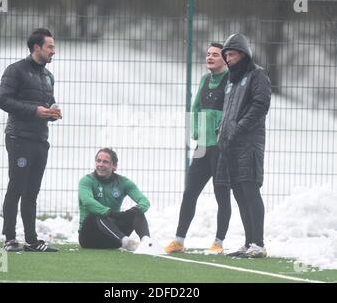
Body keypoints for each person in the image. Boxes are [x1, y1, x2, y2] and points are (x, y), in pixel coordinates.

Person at [0, 28, 62, 252]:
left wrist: (53, 112)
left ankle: (32, 241)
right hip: (19, 138)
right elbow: (3, 100)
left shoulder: (48, 76)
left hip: (40, 140)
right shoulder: (15, 70)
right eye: (50, 47)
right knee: (16, 187)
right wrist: (35, 111)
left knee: (32, 192)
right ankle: (9, 238)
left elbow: (47, 104)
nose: (54, 51)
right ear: (37, 47)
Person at [165, 43, 231, 255]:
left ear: (225, 60)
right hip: (203, 147)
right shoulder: (204, 80)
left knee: (222, 195)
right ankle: (178, 240)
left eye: (215, 55)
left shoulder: (231, 80)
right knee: (189, 192)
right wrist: (195, 131)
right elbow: (195, 108)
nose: (210, 57)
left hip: (222, 148)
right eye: (208, 54)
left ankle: (218, 243)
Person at [217, 33, 271, 258]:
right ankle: (249, 243)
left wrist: (239, 129)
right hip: (230, 146)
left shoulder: (257, 75)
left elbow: (261, 104)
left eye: (232, 54)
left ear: (243, 54)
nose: (228, 59)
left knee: (250, 191)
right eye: (226, 55)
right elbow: (227, 113)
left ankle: (258, 244)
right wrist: (222, 132)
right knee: (239, 193)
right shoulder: (232, 80)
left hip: (248, 144)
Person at [78, 148, 152, 251]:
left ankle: (147, 243)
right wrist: (109, 213)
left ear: (114, 166)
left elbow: (145, 202)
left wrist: (135, 210)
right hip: (89, 238)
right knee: (96, 213)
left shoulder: (123, 182)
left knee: (138, 212)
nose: (100, 164)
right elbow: (88, 202)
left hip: (113, 237)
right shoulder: (86, 180)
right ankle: (126, 242)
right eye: (98, 161)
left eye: (105, 162)